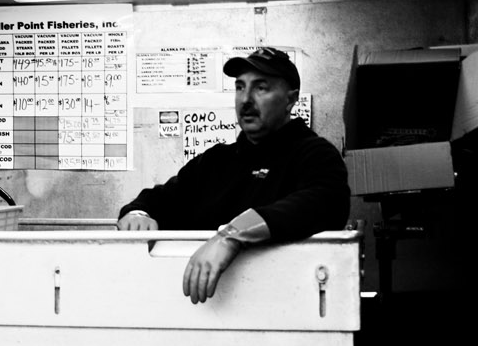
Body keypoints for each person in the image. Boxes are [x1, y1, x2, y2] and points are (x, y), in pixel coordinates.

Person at [118, 45, 350, 305]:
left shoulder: (314, 154)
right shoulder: (216, 160)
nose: (246, 100)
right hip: (201, 309)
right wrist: (138, 214)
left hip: (281, 307)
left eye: (261, 88)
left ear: (290, 99)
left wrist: (232, 236)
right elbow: (163, 198)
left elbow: (326, 202)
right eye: (240, 87)